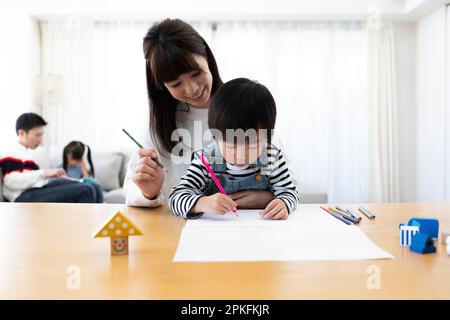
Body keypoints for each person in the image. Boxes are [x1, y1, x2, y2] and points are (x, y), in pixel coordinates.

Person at [124, 18, 281, 210]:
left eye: (195, 73)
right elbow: (130, 191)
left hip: (247, 226)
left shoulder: (241, 106)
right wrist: (149, 192)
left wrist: (268, 196)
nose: (191, 89)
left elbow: (287, 177)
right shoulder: (158, 125)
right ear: (162, 87)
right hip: (180, 228)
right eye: (175, 84)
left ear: (206, 56)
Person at [169, 78, 299, 219]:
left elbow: (289, 192)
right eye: (231, 145)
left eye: (253, 144)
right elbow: (176, 197)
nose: (241, 156)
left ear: (267, 136)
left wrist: (284, 203)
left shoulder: (271, 157)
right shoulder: (207, 160)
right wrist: (202, 203)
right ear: (215, 136)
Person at [0, 113, 98, 203]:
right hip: (22, 197)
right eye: (37, 135)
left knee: (92, 185)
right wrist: (45, 173)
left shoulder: (27, 154)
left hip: (35, 191)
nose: (41, 139)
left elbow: (33, 179)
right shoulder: (12, 151)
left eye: (41, 135)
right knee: (86, 190)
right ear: (21, 133)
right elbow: (11, 181)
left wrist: (54, 177)